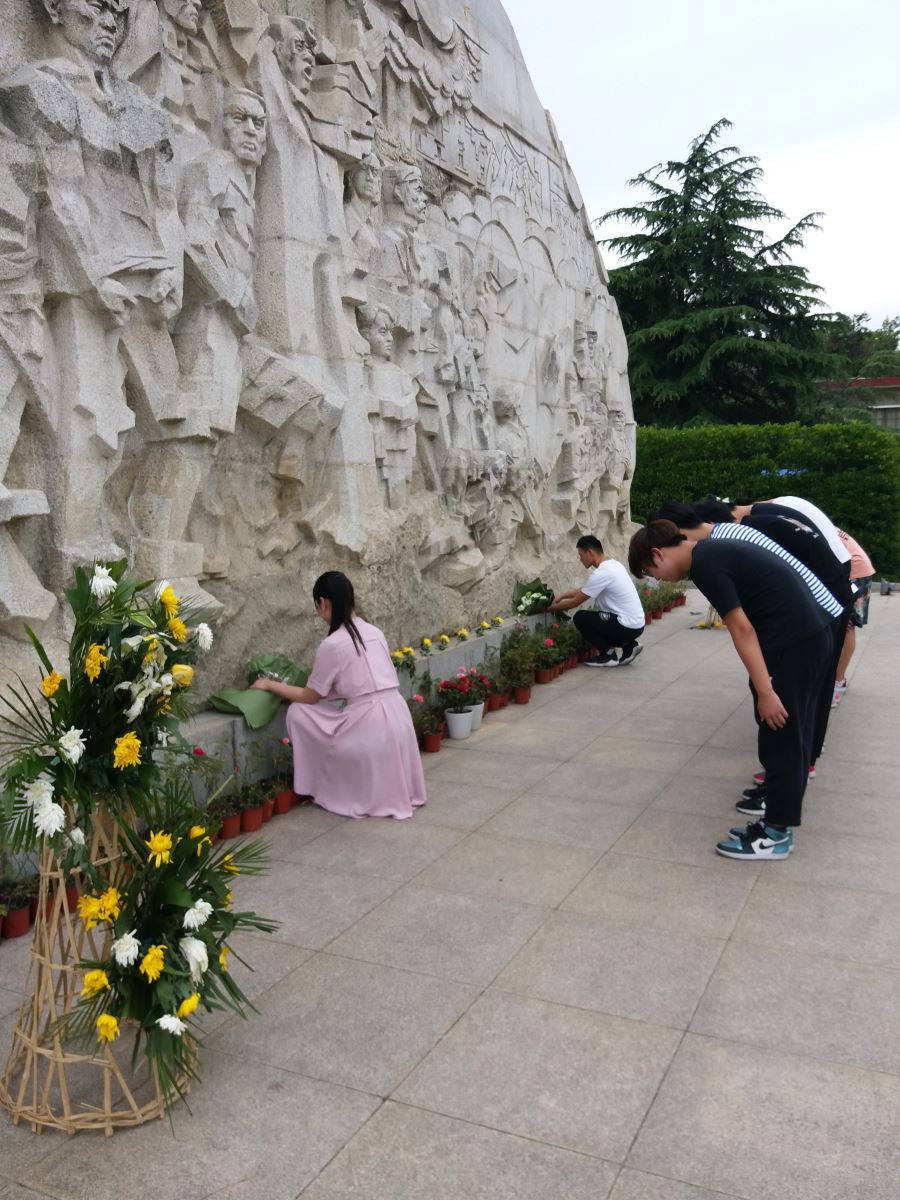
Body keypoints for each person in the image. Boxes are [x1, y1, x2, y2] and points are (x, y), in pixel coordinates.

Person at [628, 520, 834, 860]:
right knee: (790, 732)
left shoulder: (706, 564)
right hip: (807, 636)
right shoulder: (711, 552)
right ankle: (777, 818)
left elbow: (742, 630)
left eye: (650, 572)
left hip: (794, 644)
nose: (657, 579)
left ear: (657, 554)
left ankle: (776, 834)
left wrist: (766, 691)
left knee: (780, 732)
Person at [250, 571, 426, 819]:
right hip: (400, 718)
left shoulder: (332, 644)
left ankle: (317, 783)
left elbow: (310, 696)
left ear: (324, 603)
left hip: (370, 724)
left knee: (298, 712)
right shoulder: (375, 632)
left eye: (317, 606)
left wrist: (269, 684)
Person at [547, 534, 645, 667]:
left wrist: (548, 609)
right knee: (600, 620)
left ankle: (608, 655)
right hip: (637, 625)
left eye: (580, 555)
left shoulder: (602, 573)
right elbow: (586, 589)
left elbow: (575, 602)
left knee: (581, 618)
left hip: (626, 625)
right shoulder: (614, 565)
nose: (580, 559)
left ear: (590, 553)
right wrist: (562, 596)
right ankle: (629, 646)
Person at [832, 528, 875, 707]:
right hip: (851, 570)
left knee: (848, 626)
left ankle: (838, 682)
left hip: (856, 573)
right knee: (840, 626)